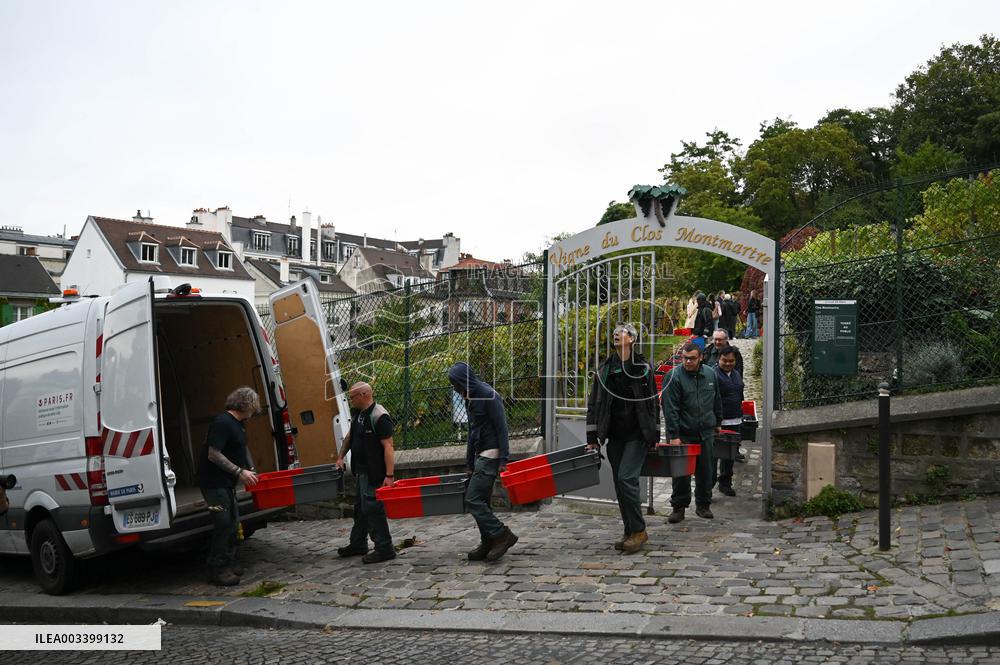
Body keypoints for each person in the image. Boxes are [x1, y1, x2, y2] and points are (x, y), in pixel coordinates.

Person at [585, 323, 660, 553]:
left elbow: (653, 402)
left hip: (637, 434)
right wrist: (592, 436)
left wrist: (655, 432)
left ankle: (639, 529)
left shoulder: (643, 367)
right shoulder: (605, 368)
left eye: (623, 332)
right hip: (614, 435)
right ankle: (629, 531)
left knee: (627, 478)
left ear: (633, 339)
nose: (617, 334)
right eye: (615, 332)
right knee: (619, 483)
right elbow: (594, 403)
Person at [448, 362, 519, 562]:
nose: (454, 388)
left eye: (455, 383)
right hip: (480, 455)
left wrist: (503, 458)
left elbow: (502, 428)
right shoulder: (470, 397)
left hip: (491, 455)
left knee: (473, 500)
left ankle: (502, 535)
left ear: (464, 380)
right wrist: (469, 462)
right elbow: (472, 432)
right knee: (483, 502)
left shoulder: (489, 395)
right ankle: (488, 541)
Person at [197, 386, 260, 586]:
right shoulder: (222, 423)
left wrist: (249, 467)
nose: (255, 411)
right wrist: (239, 472)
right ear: (247, 404)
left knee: (233, 523)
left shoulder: (239, 424)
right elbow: (213, 454)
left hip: (226, 483)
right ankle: (217, 568)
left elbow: (241, 447)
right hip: (213, 483)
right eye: (254, 406)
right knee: (223, 523)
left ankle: (229, 561)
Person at [335, 382, 397, 564]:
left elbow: (389, 447)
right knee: (361, 510)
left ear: (363, 395)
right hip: (362, 472)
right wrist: (340, 457)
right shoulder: (358, 415)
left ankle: (384, 548)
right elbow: (350, 437)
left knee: (373, 509)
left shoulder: (379, 416)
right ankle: (358, 543)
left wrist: (389, 476)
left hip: (374, 473)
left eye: (352, 396)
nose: (350, 399)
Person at [663, 342, 721, 523]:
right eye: (685, 358)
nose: (688, 362)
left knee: (706, 470)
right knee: (681, 474)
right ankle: (678, 507)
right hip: (684, 433)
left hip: (706, 432)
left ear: (701, 357)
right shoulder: (674, 377)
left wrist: (718, 421)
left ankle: (703, 505)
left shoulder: (710, 374)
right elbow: (670, 409)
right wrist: (674, 436)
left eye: (692, 358)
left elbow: (716, 399)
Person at [713, 346, 744, 497]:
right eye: (724, 360)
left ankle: (725, 483)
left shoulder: (736, 374)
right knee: (713, 456)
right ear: (719, 359)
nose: (728, 363)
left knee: (729, 456)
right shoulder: (713, 374)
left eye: (731, 361)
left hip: (735, 421)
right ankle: (707, 485)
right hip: (719, 423)